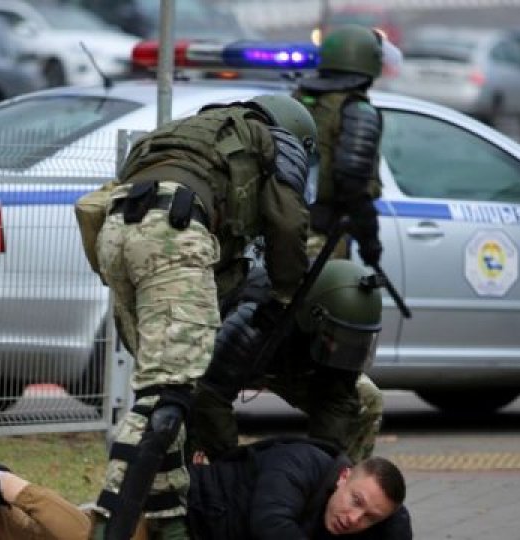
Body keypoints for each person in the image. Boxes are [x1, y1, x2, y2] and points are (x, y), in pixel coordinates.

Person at [74, 94, 315, 539]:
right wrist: (287, 290)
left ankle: (171, 525)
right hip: (172, 233)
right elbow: (287, 221)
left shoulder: (192, 132)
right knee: (165, 402)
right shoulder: (274, 140)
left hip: (116, 233)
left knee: (165, 389)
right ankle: (110, 524)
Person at [0, 425, 413, 540]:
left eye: (370, 518)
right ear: (344, 477)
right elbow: (269, 525)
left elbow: (399, 528)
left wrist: (390, 522)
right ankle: (0, 479)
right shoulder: (299, 464)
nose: (354, 517)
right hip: (166, 513)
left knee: (30, 539)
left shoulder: (371, 515)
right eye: (357, 501)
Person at [293, 24, 389, 461]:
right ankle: (331, 462)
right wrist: (371, 246)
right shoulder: (358, 110)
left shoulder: (301, 101)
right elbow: (353, 180)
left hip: (286, 236)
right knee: (335, 365)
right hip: (327, 241)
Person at [189, 260, 384, 463]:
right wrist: (230, 463)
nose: (339, 348)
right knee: (186, 400)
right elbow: (210, 394)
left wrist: (324, 468)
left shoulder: (342, 340)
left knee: (368, 399)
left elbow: (337, 402)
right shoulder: (257, 317)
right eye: (334, 339)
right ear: (312, 317)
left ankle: (344, 483)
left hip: (296, 368)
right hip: (233, 359)